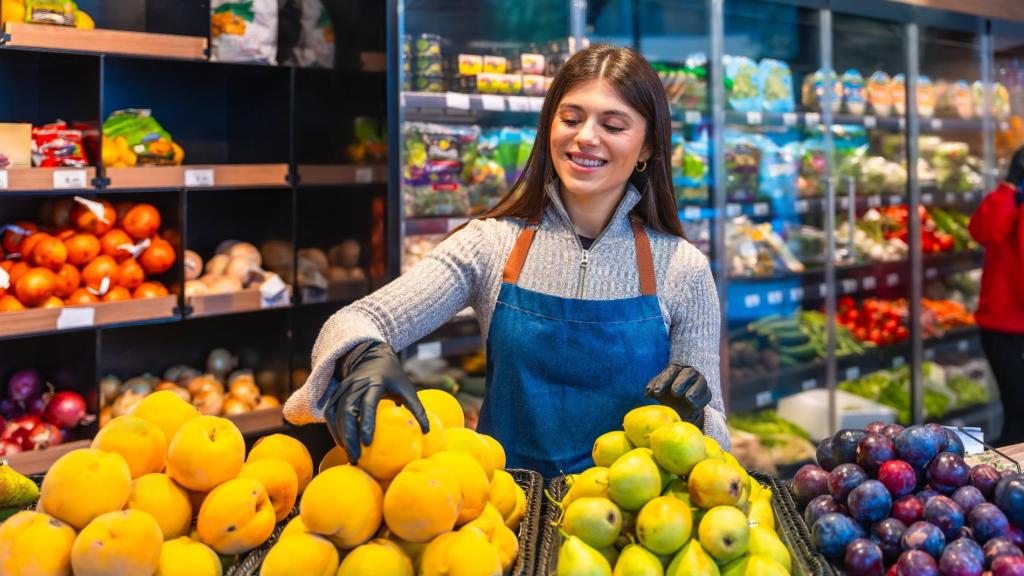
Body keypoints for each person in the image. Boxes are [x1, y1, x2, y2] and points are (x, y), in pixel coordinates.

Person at [283, 44, 726, 477]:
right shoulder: (491, 244)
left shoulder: (681, 268)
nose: (586, 137)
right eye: (571, 119)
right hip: (504, 509)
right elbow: (356, 319)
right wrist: (361, 354)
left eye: (613, 125)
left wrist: (696, 417)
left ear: (648, 148)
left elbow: (717, 442)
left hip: (629, 516)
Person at [969, 146, 1024, 446]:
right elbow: (982, 230)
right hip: (1005, 328)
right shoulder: (1011, 197)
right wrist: (1011, 183)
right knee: (1018, 417)